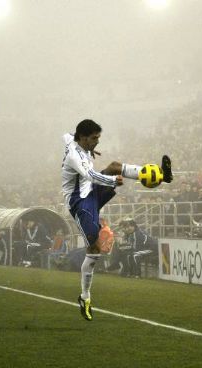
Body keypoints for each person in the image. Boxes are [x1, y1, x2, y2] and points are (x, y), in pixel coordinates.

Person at [61, 119, 172, 321]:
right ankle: (85, 296)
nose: (97, 142)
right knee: (94, 248)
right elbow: (91, 174)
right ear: (84, 137)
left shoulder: (75, 141)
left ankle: (162, 174)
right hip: (80, 203)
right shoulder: (74, 156)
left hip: (90, 192)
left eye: (98, 138)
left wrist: (86, 146)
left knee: (113, 166)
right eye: (94, 139)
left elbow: (67, 135)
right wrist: (113, 181)